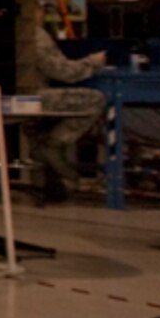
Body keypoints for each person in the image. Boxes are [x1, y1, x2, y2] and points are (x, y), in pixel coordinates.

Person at [31, 21, 106, 202]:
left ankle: (48, 157)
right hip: (31, 99)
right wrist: (93, 63)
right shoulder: (33, 33)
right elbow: (63, 71)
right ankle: (53, 144)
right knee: (95, 99)